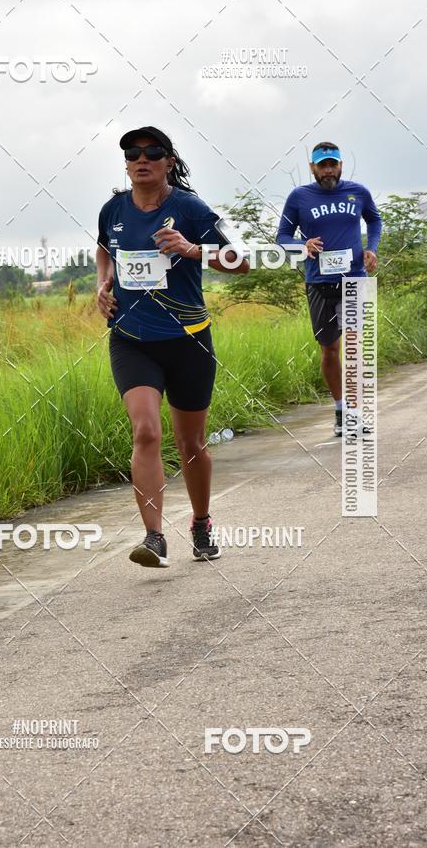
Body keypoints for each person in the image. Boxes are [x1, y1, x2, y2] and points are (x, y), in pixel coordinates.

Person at [96, 126, 249, 568]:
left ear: (168, 161)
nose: (142, 158)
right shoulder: (113, 209)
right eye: (132, 152)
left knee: (192, 443)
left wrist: (191, 248)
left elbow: (240, 262)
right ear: (126, 163)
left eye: (152, 151)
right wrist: (102, 283)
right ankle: (154, 537)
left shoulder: (191, 208)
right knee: (145, 430)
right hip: (132, 340)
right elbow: (105, 249)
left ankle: (201, 523)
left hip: (188, 341)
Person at [276, 142, 381, 436]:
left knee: (353, 346)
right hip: (319, 282)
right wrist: (302, 245)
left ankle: (355, 413)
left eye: (332, 164)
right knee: (329, 350)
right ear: (312, 168)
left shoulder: (358, 192)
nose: (328, 170)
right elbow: (282, 236)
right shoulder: (299, 197)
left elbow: (374, 219)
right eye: (322, 165)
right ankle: (340, 408)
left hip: (354, 278)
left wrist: (371, 248)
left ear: (341, 165)